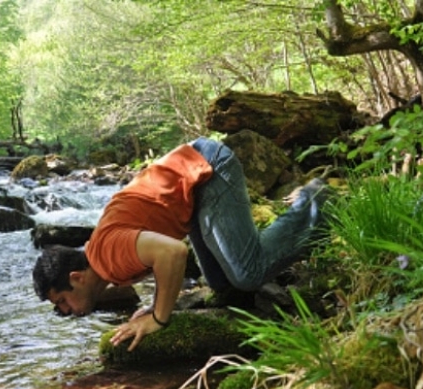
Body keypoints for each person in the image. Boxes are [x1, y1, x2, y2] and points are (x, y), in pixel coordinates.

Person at [32, 137, 329, 351]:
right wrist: (152, 306)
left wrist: (159, 318)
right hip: (193, 189)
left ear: (76, 277)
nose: (66, 311)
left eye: (62, 301)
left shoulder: (109, 255)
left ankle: (316, 205)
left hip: (207, 168)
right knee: (224, 286)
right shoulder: (103, 261)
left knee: (247, 274)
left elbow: (173, 252)